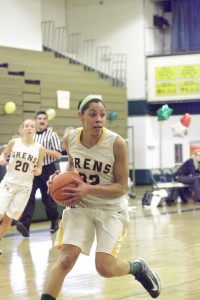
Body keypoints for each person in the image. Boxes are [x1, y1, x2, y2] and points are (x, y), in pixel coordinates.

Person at [40, 95, 161, 300]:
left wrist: (88, 189)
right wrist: (59, 178)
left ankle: (138, 268)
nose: (98, 119)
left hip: (110, 208)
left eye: (102, 115)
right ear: (81, 116)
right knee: (66, 260)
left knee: (104, 268)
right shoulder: (70, 138)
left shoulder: (116, 143)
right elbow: (71, 166)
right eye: (92, 114)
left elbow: (122, 187)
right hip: (81, 205)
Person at [0, 119, 45, 254]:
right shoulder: (14, 142)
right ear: (22, 129)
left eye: (32, 126)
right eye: (26, 126)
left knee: (9, 219)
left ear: (35, 130)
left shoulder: (40, 148)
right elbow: (3, 154)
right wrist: (2, 158)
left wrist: (38, 171)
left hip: (24, 188)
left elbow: (40, 167)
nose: (29, 128)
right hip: (8, 183)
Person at [16, 110, 62, 237]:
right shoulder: (32, 135)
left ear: (47, 121)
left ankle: (54, 221)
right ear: (36, 121)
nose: (42, 120)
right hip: (33, 169)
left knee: (48, 200)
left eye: (44, 118)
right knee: (28, 197)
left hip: (48, 169)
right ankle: (24, 225)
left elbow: (58, 155)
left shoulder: (52, 135)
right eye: (39, 118)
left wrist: (43, 150)